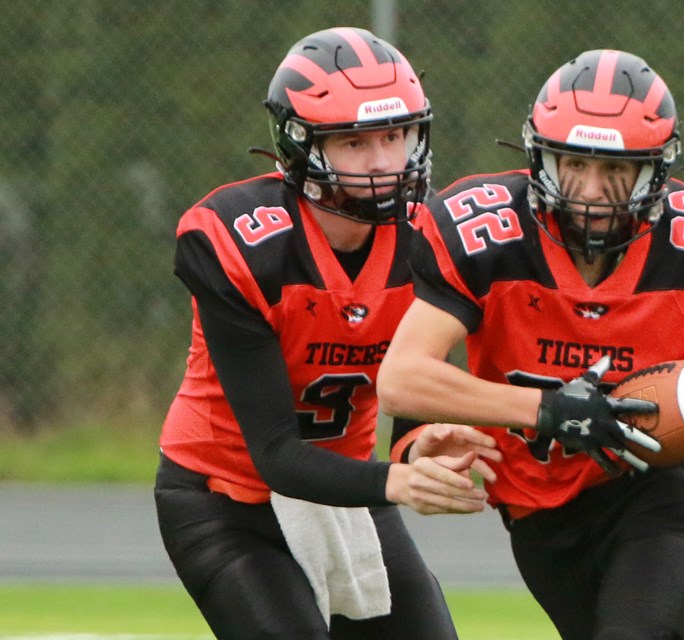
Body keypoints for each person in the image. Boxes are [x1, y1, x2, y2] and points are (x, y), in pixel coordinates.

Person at [378, 49, 684, 640]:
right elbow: (402, 379)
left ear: (656, 170)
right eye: (573, 163)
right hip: (537, 507)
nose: (592, 191)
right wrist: (550, 411)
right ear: (540, 157)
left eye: (617, 170)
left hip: (655, 489)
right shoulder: (488, 234)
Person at [154, 27, 497, 640]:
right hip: (225, 498)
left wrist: (415, 448)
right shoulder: (240, 243)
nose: (383, 162)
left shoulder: (430, 239)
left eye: (394, 136)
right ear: (302, 146)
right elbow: (277, 456)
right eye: (355, 141)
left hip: (346, 488)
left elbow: (409, 395)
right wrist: (396, 482)